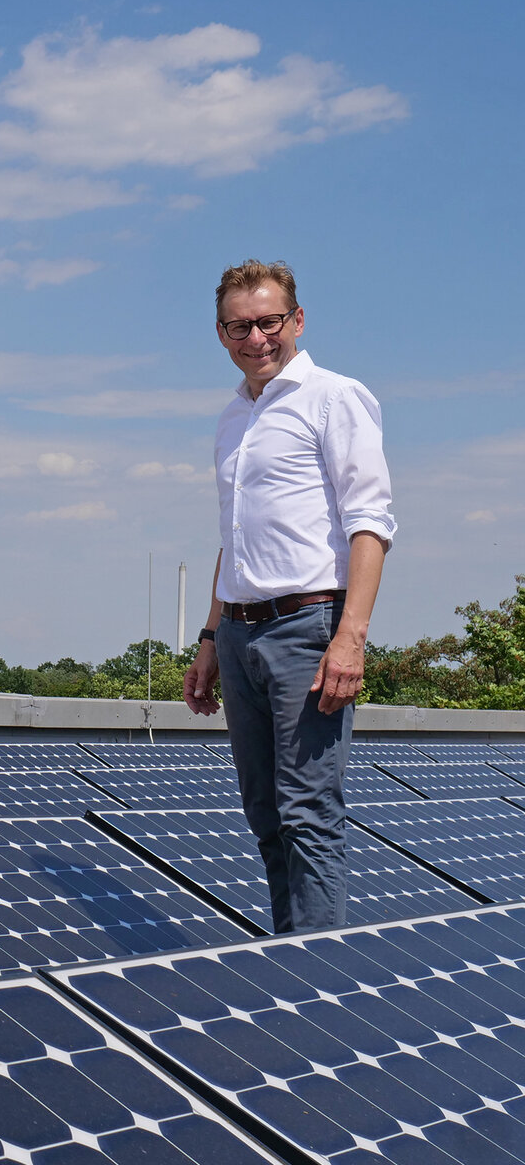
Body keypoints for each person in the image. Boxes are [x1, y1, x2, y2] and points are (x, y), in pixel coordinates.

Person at [183, 259, 395, 932]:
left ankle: (319, 977)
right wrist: (211, 637)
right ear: (221, 334)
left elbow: (371, 524)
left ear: (296, 320)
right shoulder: (230, 420)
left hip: (308, 628)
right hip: (241, 634)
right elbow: (236, 538)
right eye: (240, 326)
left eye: (269, 321)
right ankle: (287, 955)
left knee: (309, 812)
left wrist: (349, 636)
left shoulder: (335, 397)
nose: (257, 337)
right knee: (265, 812)